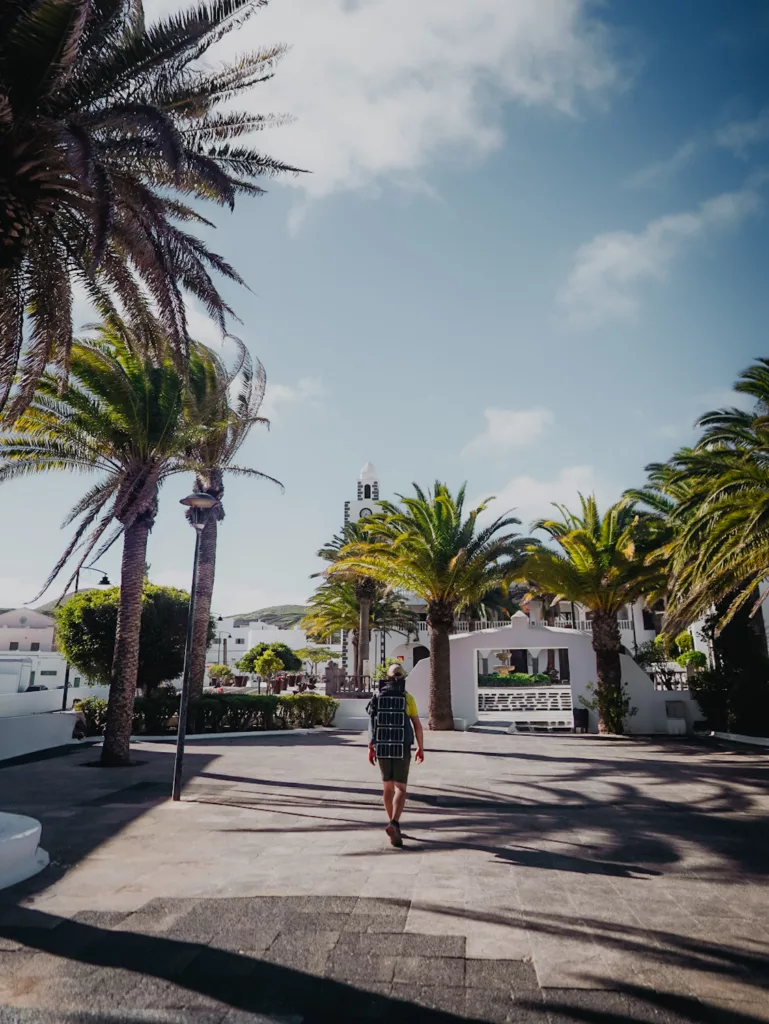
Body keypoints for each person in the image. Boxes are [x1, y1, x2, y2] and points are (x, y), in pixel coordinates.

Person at [368, 662, 424, 848]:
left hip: (382, 748)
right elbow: (416, 724)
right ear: (402, 677)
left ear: (387, 676)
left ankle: (391, 822)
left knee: (387, 787)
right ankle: (394, 823)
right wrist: (420, 747)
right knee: (400, 788)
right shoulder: (407, 698)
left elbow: (372, 725)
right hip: (401, 747)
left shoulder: (377, 696)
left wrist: (371, 746)